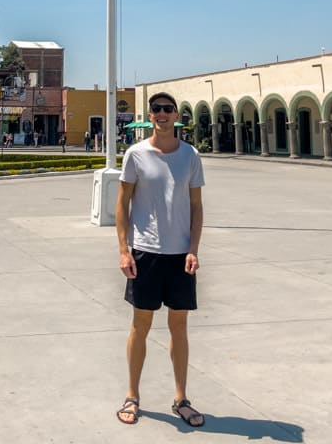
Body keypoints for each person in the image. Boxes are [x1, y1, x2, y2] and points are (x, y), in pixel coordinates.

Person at [115, 91, 205, 428]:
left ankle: (181, 398)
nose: (162, 114)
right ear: (150, 115)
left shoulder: (190, 156)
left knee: (179, 327)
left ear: (176, 114)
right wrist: (124, 249)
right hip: (146, 254)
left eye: (168, 109)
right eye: (157, 110)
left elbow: (196, 206)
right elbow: (122, 204)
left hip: (181, 255)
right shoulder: (136, 154)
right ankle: (132, 395)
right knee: (140, 326)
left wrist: (194, 247)